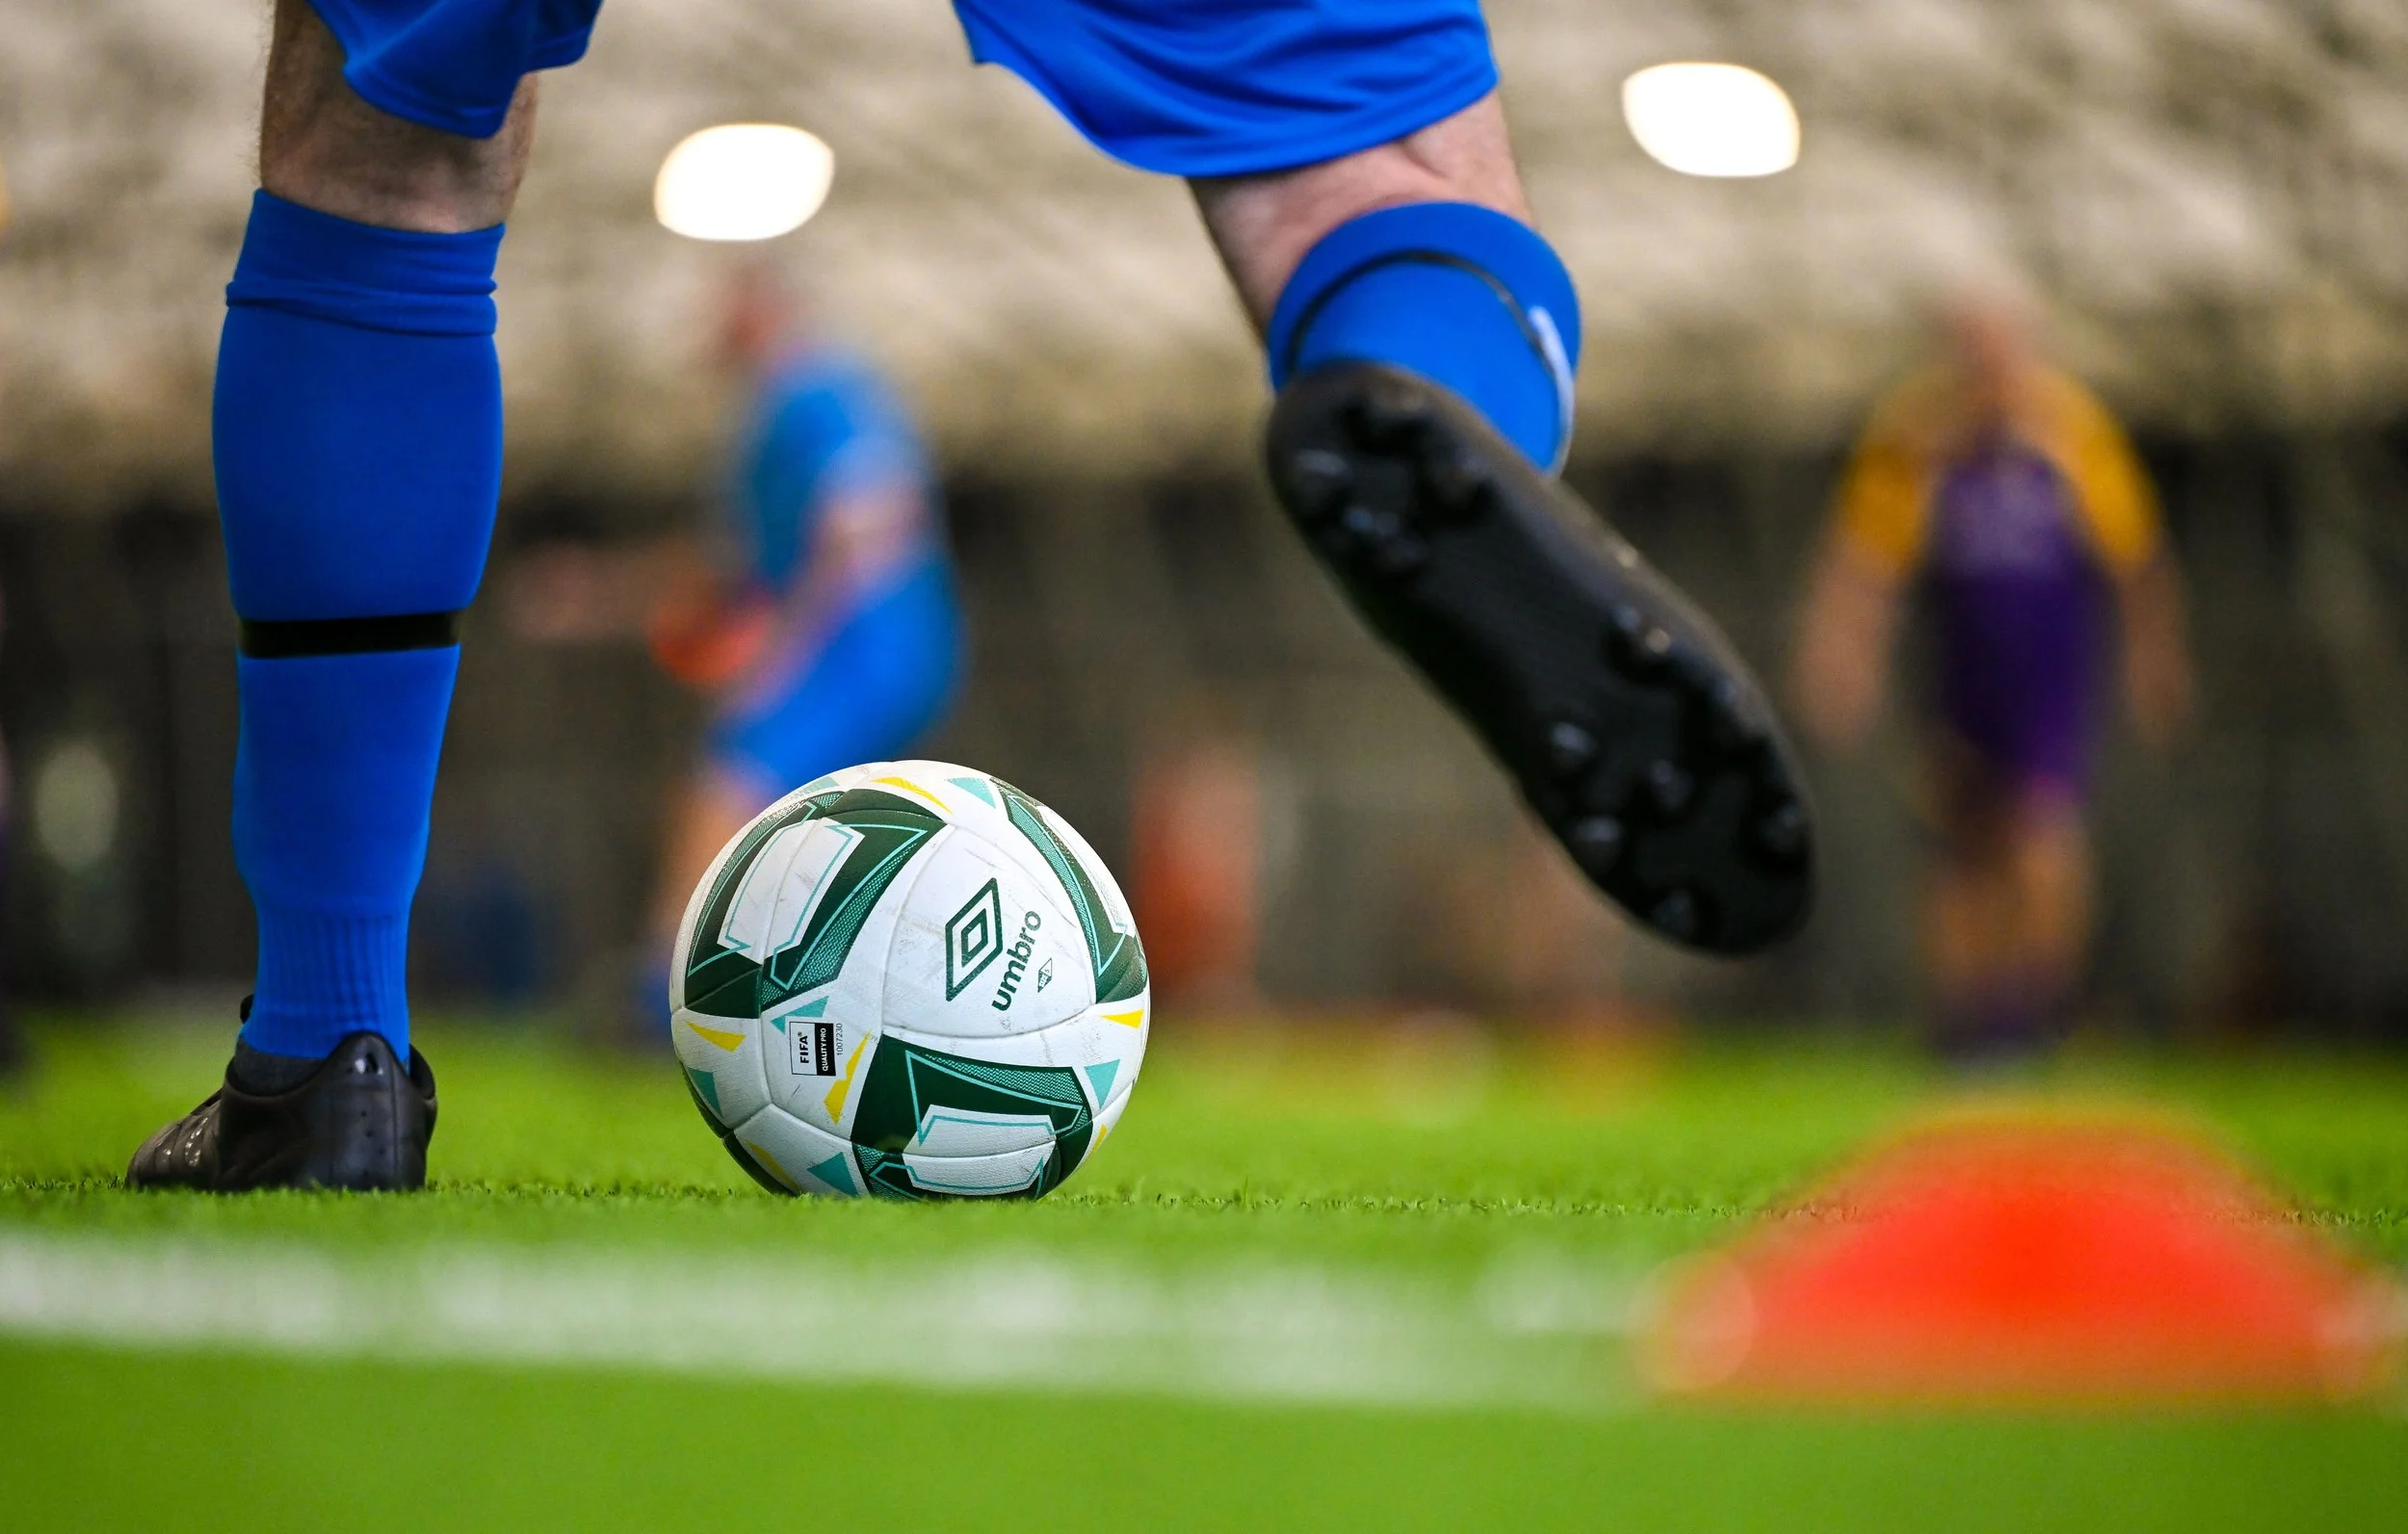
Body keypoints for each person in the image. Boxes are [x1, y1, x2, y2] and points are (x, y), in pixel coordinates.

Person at [130, 0, 1818, 1191]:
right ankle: (1413, 379)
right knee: (1374, 181)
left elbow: (855, 530)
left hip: (867, 624)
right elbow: (758, 552)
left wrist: (763, 622)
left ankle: (329, 1051)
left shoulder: (809, 394)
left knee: (386, 150)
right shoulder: (775, 416)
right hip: (870, 619)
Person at [513, 263, 960, 1033]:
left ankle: (666, 999)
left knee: (725, 782)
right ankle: (779, 997)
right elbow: (728, 563)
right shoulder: (763, 429)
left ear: (762, 309)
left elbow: (871, 520)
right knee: (795, 824)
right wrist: (595, 594)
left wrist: (784, 651)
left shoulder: (822, 390)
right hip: (850, 649)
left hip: (866, 649)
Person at [1792, 299, 2193, 1060]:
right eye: (1972, 354)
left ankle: (2040, 1007)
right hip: (1956, 672)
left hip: (2047, 672)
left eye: (2002, 353)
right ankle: (1967, 1020)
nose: (1989, 373)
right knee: (1961, 847)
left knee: (2042, 836)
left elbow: (2138, 561)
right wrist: (1842, 657)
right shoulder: (1916, 439)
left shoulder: (2073, 433)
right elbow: (1862, 563)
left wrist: (2156, 660)